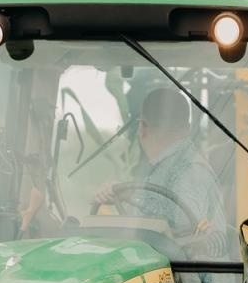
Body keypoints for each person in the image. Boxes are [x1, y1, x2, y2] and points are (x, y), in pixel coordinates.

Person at [94, 87, 227, 235]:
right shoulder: (163, 168)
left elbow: (186, 223)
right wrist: (122, 195)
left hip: (186, 258)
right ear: (187, 128)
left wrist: (133, 195)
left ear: (142, 127)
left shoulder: (191, 170)